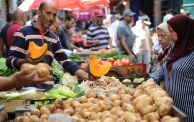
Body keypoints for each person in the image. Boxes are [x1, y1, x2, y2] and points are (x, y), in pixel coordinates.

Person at [6, 1, 88, 89]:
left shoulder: (54, 38)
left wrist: (84, 74)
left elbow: (64, 60)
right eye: (48, 13)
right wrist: (23, 61)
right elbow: (9, 61)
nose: (51, 18)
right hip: (27, 91)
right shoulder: (23, 32)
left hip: (48, 90)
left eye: (54, 15)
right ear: (39, 13)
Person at [154, 14, 194, 122]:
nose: (170, 35)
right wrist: (153, 79)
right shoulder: (174, 47)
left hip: (189, 108)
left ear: (183, 30)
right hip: (170, 105)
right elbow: (164, 65)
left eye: (172, 31)